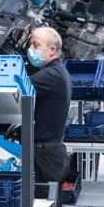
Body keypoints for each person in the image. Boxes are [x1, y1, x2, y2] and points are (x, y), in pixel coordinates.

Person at [27, 27, 72, 194]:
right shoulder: (59, 71)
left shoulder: (51, 75)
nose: (30, 49)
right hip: (51, 154)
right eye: (30, 44)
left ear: (52, 50)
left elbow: (15, 88)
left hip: (45, 157)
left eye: (36, 45)